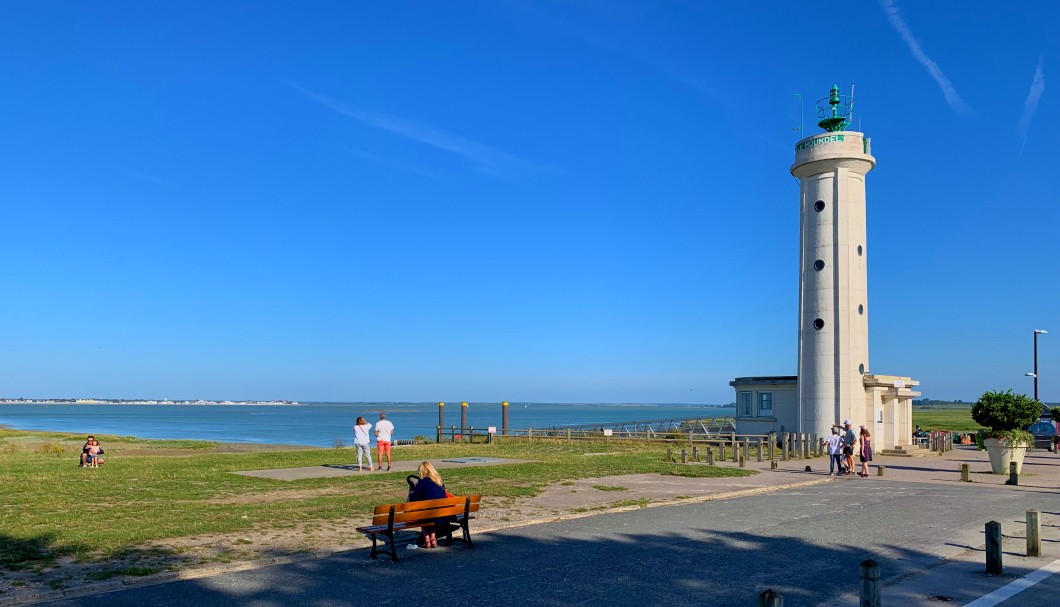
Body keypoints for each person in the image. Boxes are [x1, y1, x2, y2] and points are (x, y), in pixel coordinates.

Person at [407, 461, 454, 548]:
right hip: (443, 514)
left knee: (422, 514)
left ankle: (427, 539)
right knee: (430, 513)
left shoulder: (422, 483)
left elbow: (412, 501)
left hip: (431, 515)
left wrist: (411, 490)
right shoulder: (439, 481)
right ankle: (433, 538)